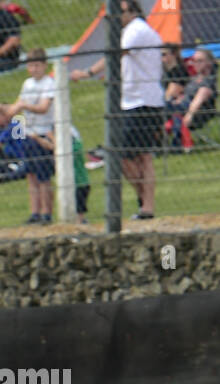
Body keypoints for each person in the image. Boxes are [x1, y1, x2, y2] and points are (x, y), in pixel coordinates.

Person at [72, 0, 163, 220]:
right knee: (134, 156)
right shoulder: (138, 31)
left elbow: (114, 54)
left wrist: (87, 72)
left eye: (120, 12)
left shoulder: (135, 31)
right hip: (135, 100)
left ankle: (146, 204)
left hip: (141, 102)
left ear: (131, 12)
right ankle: (145, 203)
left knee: (133, 156)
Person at [10, 47, 56, 223]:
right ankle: (34, 212)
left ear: (44, 65)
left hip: (43, 133)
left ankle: (47, 212)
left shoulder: (48, 84)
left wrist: (24, 106)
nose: (33, 69)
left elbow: (43, 108)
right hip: (28, 133)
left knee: (43, 176)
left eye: (37, 65)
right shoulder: (27, 84)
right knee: (31, 175)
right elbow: (17, 107)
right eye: (30, 66)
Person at [164, 46, 215, 148]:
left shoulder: (207, 81)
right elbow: (185, 95)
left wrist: (189, 115)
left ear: (209, 63)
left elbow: (199, 99)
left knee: (161, 109)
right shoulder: (194, 79)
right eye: (194, 61)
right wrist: (178, 100)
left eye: (199, 61)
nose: (195, 63)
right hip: (180, 107)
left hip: (196, 112)